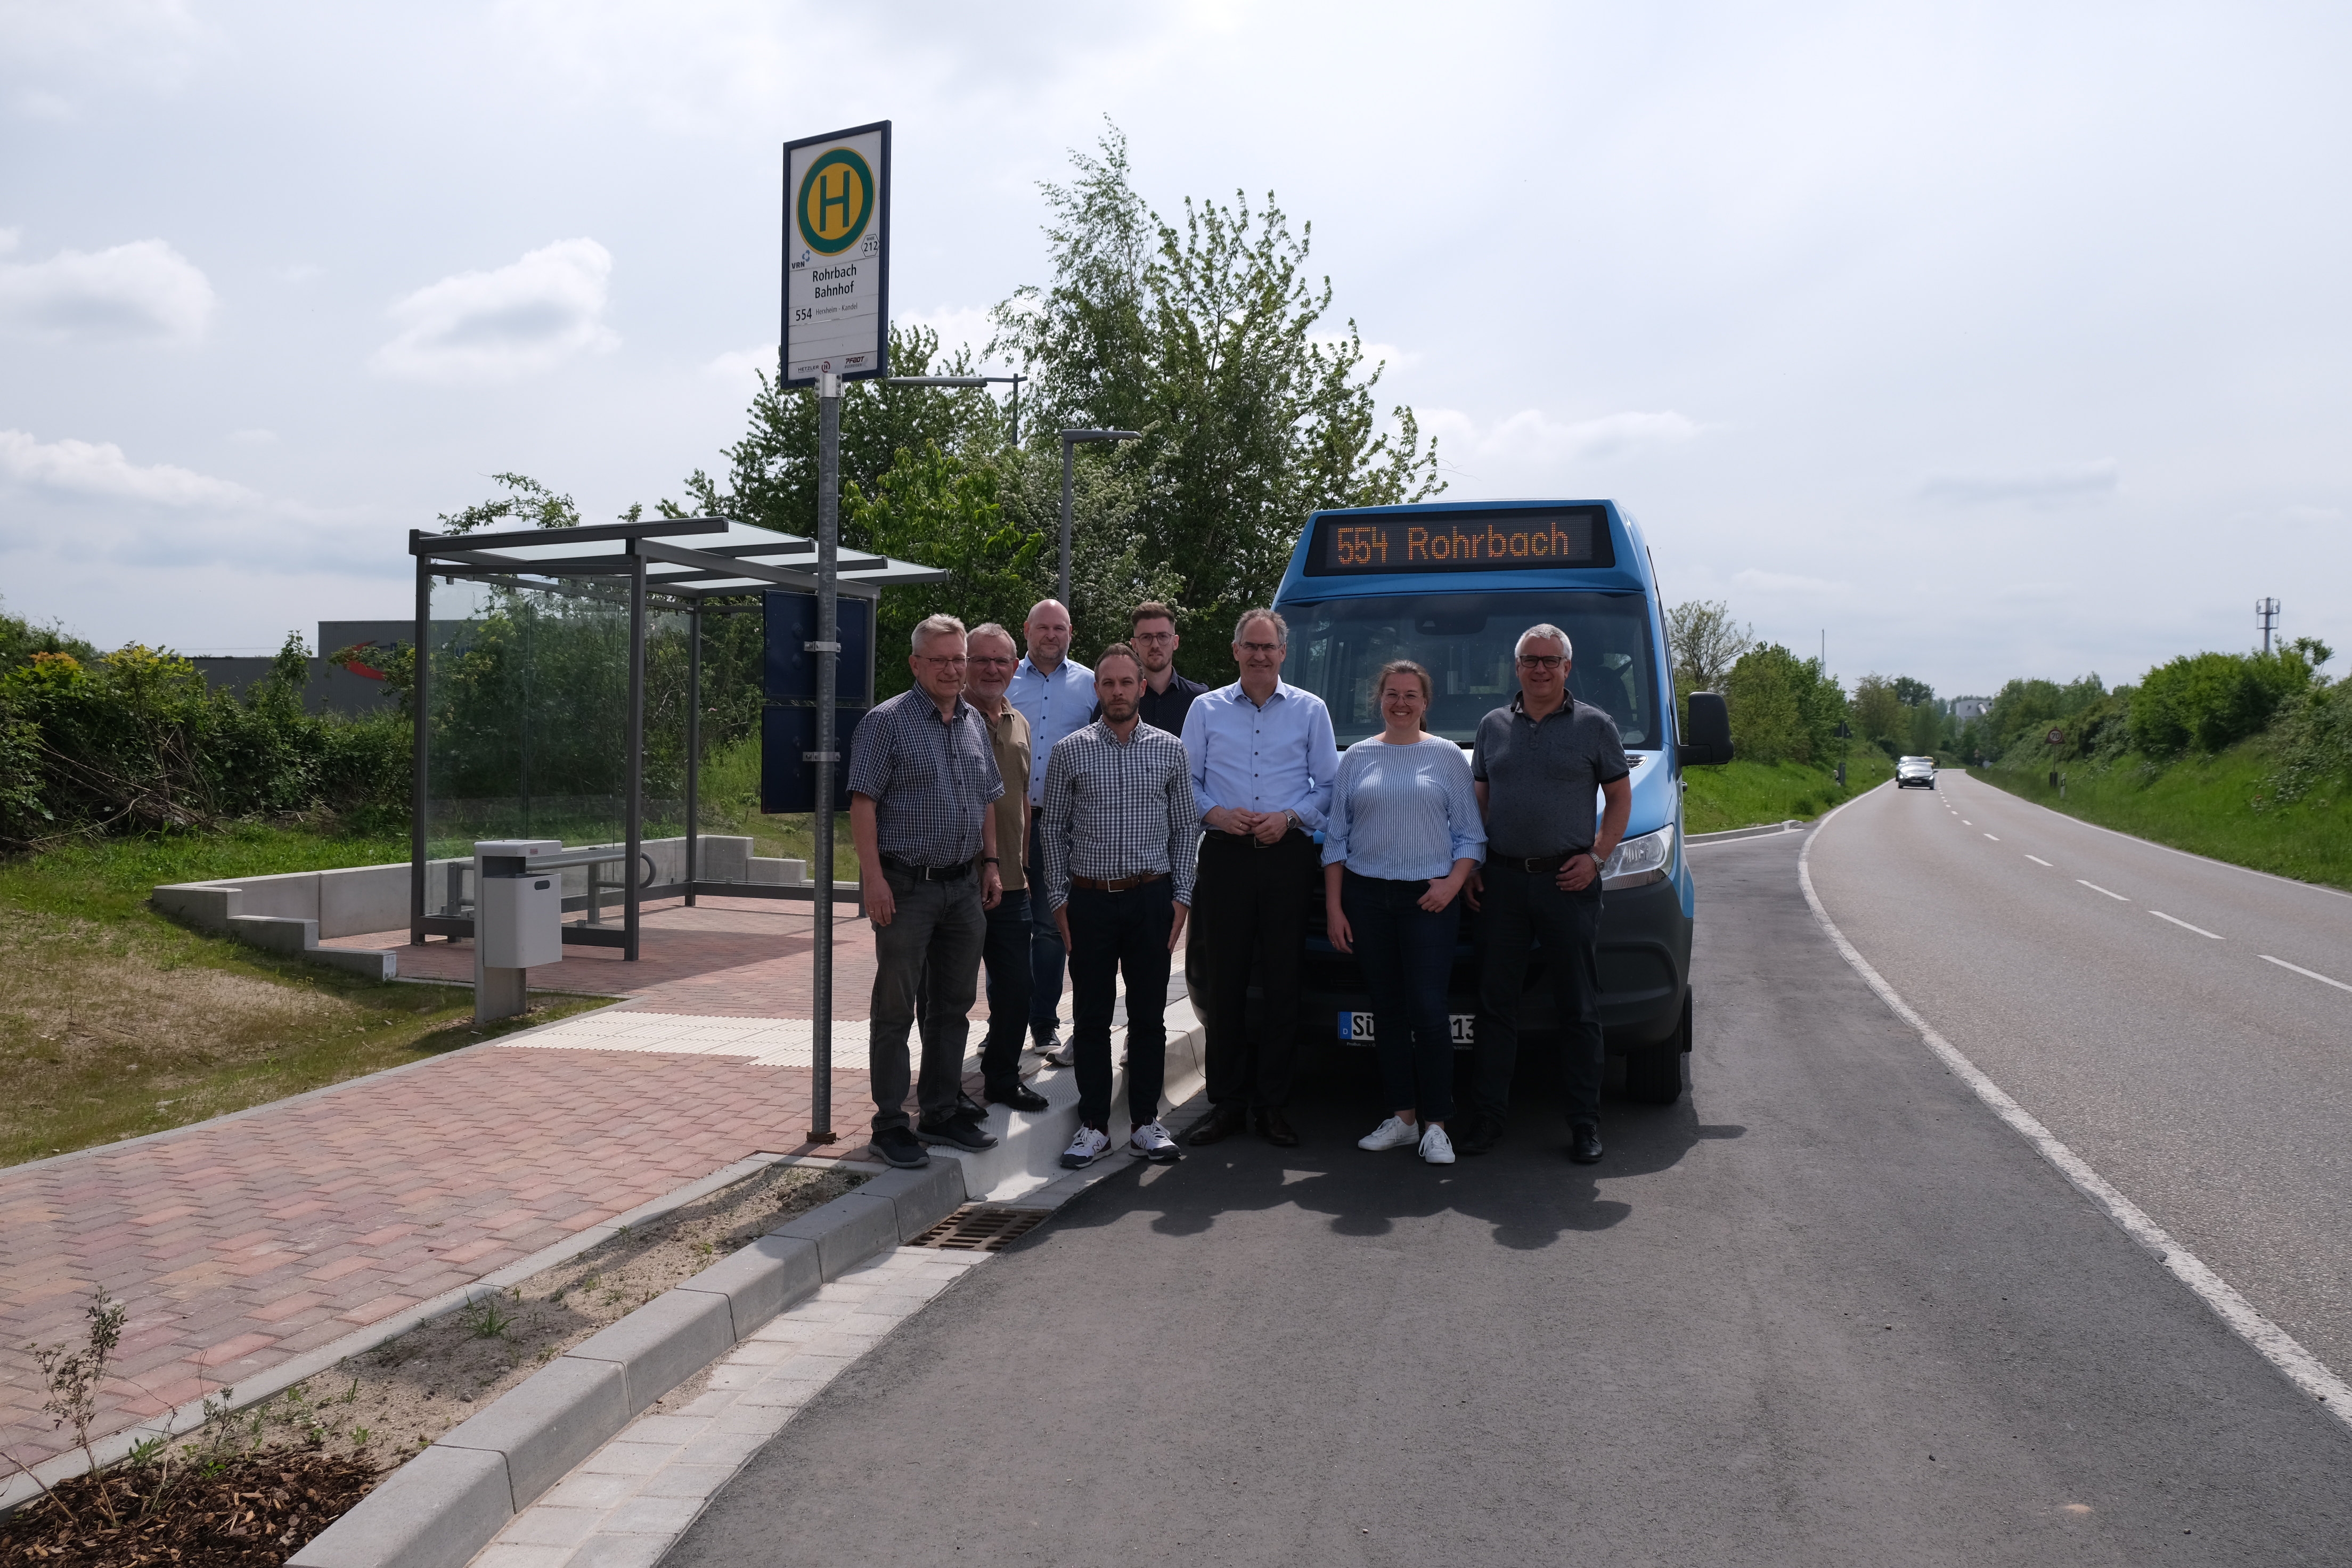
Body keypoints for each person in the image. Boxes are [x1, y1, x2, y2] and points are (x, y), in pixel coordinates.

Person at [1462, 623, 1631, 1165]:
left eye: (1550, 660)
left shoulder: (1595, 726)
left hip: (1568, 882)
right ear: (1516, 667)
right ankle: (1488, 1119)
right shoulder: (1492, 727)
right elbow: (1478, 803)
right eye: (1530, 659)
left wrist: (1598, 856)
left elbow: (1620, 799)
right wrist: (1470, 866)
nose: (1540, 668)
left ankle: (1584, 1123)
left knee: (1579, 1007)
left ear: (1567, 668)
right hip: (1504, 881)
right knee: (1495, 1006)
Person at [847, 615, 1007, 1170]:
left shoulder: (972, 722)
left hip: (964, 887)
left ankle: (940, 1108)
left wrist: (991, 864)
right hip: (907, 887)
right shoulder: (885, 722)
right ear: (916, 663)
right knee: (895, 1008)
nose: (951, 669)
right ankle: (891, 1121)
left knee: (954, 1007)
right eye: (939, 659)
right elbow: (863, 803)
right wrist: (873, 879)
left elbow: (989, 797)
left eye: (958, 659)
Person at [1180, 608, 1340, 1148]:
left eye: (1269, 647)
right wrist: (1217, 814)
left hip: (1286, 857)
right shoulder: (1205, 709)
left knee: (1282, 982)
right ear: (1235, 651)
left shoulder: (1311, 710)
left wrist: (1289, 817)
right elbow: (1187, 783)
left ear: (1283, 653)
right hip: (1224, 855)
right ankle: (1227, 1103)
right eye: (1250, 646)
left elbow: (1329, 788)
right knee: (1224, 984)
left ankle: (1273, 1104)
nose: (1259, 655)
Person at [1039, 643, 1197, 1168]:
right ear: (1097, 689)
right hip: (1089, 900)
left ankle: (1147, 1122)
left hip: (1152, 898)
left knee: (1148, 1016)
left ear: (1140, 686)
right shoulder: (1070, 751)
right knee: (1090, 1017)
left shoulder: (1170, 749)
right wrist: (1060, 900)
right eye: (1107, 684)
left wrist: (1181, 899)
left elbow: (1184, 828)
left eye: (1126, 683)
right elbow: (1052, 830)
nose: (1117, 692)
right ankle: (1092, 1125)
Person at [1322, 660, 1485, 1166]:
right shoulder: (1356, 758)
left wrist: (1454, 884)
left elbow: (1471, 835)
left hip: (1428, 900)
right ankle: (1403, 1117)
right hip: (1367, 898)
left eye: (1411, 695)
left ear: (1425, 703)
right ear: (1380, 700)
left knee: (1429, 1009)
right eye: (1392, 694)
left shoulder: (1447, 758)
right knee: (1387, 1010)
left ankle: (1437, 1125)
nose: (1400, 703)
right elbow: (1336, 840)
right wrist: (1334, 909)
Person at [962, 624, 1051, 1115]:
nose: (993, 669)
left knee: (1017, 988)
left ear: (1016, 667)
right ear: (966, 663)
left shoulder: (1019, 722)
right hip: (957, 878)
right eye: (982, 660)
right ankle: (942, 1089)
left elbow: (1021, 798)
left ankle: (1000, 1077)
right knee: (949, 996)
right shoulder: (948, 719)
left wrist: (1023, 861)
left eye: (1002, 661)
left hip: (1013, 881)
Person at [1007, 599, 1092, 1066]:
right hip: (1008, 824)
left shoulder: (1088, 685)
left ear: (1070, 633)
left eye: (1059, 629)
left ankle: (1044, 1023)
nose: (1051, 636)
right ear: (1027, 630)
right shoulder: (1005, 677)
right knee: (1004, 929)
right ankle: (1005, 1021)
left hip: (1063, 828)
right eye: (1043, 628)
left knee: (1051, 928)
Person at [1125, 601, 1210, 735]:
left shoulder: (1199, 700)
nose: (1155, 645)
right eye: (1146, 637)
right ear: (1134, 645)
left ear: (1175, 642)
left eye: (1163, 636)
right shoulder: (1119, 700)